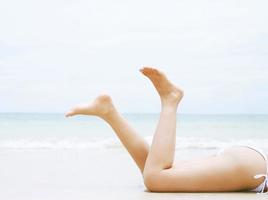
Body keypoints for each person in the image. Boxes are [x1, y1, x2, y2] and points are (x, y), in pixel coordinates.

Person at [65, 66, 267, 193]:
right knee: (156, 179)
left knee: (155, 171)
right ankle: (170, 100)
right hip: (255, 169)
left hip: (249, 161)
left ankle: (109, 112)